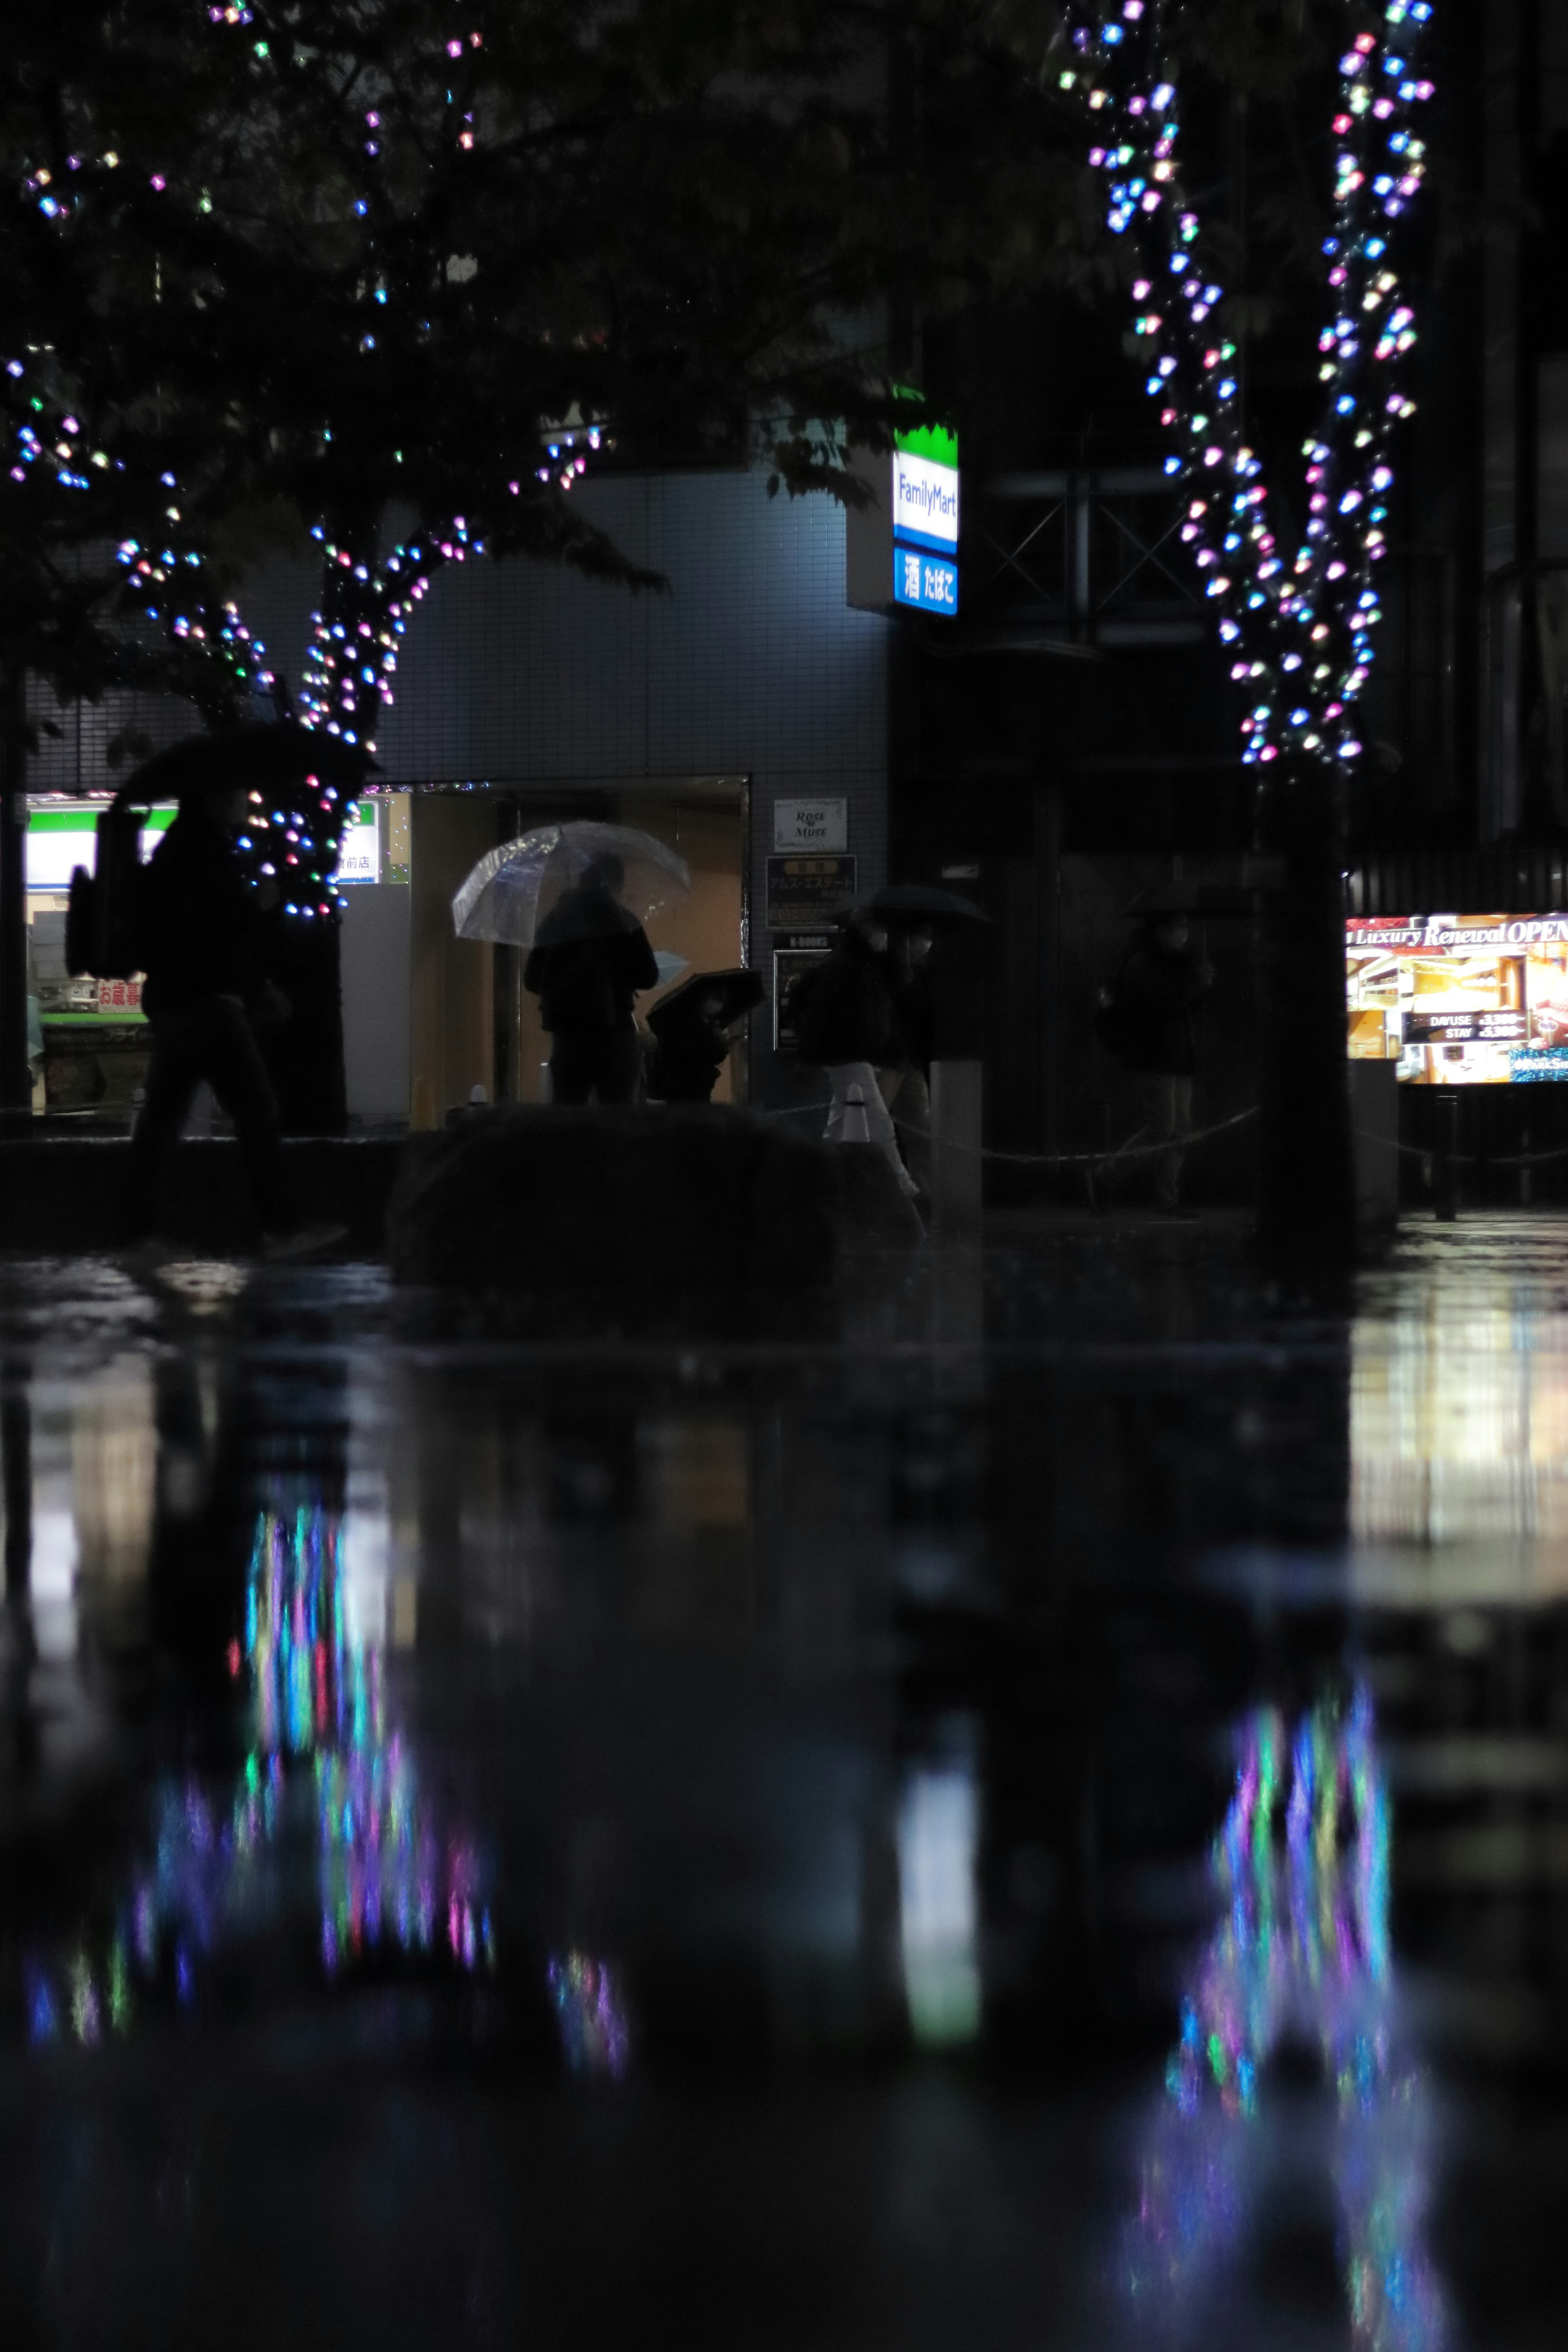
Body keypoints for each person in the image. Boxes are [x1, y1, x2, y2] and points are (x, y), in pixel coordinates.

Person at [122, 773, 324, 1251]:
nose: (245, 800)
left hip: (177, 999)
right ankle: (282, 1226)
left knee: (162, 1119)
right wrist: (259, 903)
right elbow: (216, 932)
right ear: (213, 796)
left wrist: (254, 984)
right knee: (256, 1109)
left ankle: (134, 1233)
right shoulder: (201, 853)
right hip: (207, 1002)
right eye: (238, 792)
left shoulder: (180, 847)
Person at [790, 910, 919, 1199]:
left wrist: (897, 953)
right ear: (862, 928)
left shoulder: (867, 965)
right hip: (846, 1055)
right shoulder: (843, 966)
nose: (883, 934)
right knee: (880, 1120)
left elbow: (900, 983)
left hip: (853, 1055)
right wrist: (808, 1056)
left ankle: (818, 1180)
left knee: (838, 1126)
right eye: (879, 927)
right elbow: (818, 1014)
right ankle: (902, 1184)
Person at [524, 852, 659, 1104]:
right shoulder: (624, 921)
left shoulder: (556, 921)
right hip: (616, 1032)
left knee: (568, 1116)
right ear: (616, 882)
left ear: (582, 880)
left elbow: (532, 979)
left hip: (568, 1036)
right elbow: (648, 976)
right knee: (617, 1120)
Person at [1105, 913, 1214, 1212]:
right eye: (1179, 928)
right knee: (1162, 1126)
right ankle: (1106, 1177)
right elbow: (1169, 1004)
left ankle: (1167, 1196)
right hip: (1157, 1056)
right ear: (1162, 931)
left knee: (1179, 1128)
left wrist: (1199, 985)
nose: (1184, 935)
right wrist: (1197, 982)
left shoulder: (1168, 963)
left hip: (1176, 1056)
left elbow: (1183, 1007)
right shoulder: (1144, 963)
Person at [649, 985, 732, 1104]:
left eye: (724, 1000)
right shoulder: (689, 1023)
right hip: (688, 1087)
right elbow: (701, 1055)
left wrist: (722, 1045)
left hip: (689, 1087)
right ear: (703, 996)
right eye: (717, 998)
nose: (720, 1004)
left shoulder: (701, 1022)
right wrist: (720, 1043)